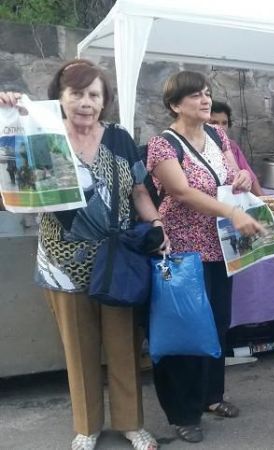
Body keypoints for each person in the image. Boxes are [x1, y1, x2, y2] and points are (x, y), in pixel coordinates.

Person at [0, 59, 163, 450]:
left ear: (104, 101)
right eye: (76, 93)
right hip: (62, 262)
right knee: (78, 347)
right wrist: (9, 112)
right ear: (60, 96)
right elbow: (13, 178)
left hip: (118, 258)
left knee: (124, 345)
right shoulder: (41, 131)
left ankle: (130, 423)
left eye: (94, 94)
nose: (85, 102)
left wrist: (157, 224)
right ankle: (87, 427)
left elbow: (139, 190)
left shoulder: (119, 138)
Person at [146, 71, 265, 443]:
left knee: (217, 323)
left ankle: (212, 395)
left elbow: (232, 174)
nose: (205, 99)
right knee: (185, 329)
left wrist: (241, 177)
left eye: (207, 93)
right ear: (174, 104)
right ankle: (183, 412)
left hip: (220, 248)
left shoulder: (217, 135)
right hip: (183, 251)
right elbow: (181, 192)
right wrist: (231, 212)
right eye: (195, 94)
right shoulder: (163, 145)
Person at [208, 100, 264, 196]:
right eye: (214, 122)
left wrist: (264, 200)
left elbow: (250, 176)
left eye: (224, 123)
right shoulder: (200, 147)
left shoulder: (232, 145)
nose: (220, 127)